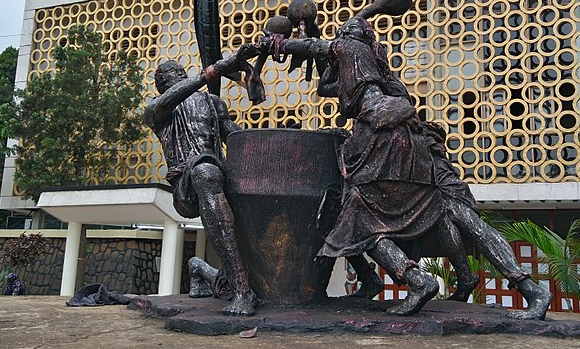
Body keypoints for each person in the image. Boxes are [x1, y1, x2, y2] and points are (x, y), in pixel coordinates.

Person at [284, 17, 552, 319]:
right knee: (462, 218)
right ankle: (530, 289)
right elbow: (327, 86)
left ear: (349, 36)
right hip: (412, 146)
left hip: (381, 142)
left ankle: (419, 281)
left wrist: (274, 43)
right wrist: (330, 61)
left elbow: (312, 47)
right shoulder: (379, 71)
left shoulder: (348, 47)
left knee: (361, 224)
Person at [144, 46, 258, 316]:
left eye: (180, 71)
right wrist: (211, 72)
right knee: (204, 172)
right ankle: (242, 290)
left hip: (219, 172)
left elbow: (233, 136)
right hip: (187, 182)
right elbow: (168, 100)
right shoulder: (157, 110)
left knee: (245, 183)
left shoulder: (211, 102)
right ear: (162, 85)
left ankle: (200, 270)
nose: (179, 74)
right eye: (170, 74)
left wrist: (269, 142)